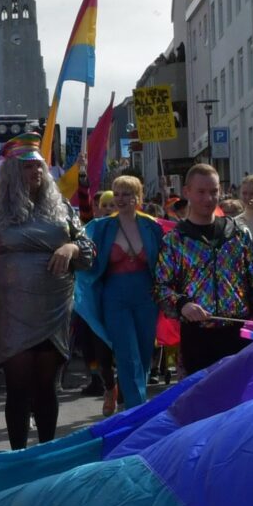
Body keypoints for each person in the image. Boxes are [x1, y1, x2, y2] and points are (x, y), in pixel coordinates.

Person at [0, 144, 90, 448]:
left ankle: (45, 451)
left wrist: (71, 247)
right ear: (11, 172)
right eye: (27, 166)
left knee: (47, 386)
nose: (36, 171)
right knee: (18, 387)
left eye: (39, 166)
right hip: (11, 311)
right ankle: (19, 454)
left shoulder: (60, 208)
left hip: (54, 308)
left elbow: (88, 251)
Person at [155, 162, 253, 377]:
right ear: (187, 192)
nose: (208, 199)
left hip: (239, 332)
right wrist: (183, 304)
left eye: (214, 192)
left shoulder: (237, 233)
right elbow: (161, 287)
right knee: (201, 404)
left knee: (239, 402)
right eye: (201, 192)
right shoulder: (175, 239)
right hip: (198, 336)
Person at [76, 174, 164, 413]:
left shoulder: (152, 227)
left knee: (145, 353)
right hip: (114, 296)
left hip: (147, 296)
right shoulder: (102, 227)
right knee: (127, 353)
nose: (121, 199)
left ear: (138, 197)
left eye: (127, 194)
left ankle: (134, 401)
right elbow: (80, 240)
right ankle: (136, 410)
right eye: (117, 194)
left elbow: (167, 261)